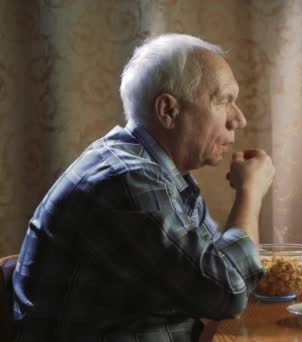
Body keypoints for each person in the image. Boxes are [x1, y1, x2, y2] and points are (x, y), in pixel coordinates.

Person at [11, 33, 274, 341]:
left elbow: (216, 270)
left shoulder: (162, 172)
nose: (238, 119)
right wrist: (250, 193)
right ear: (168, 110)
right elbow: (227, 292)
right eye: (223, 101)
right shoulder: (127, 181)